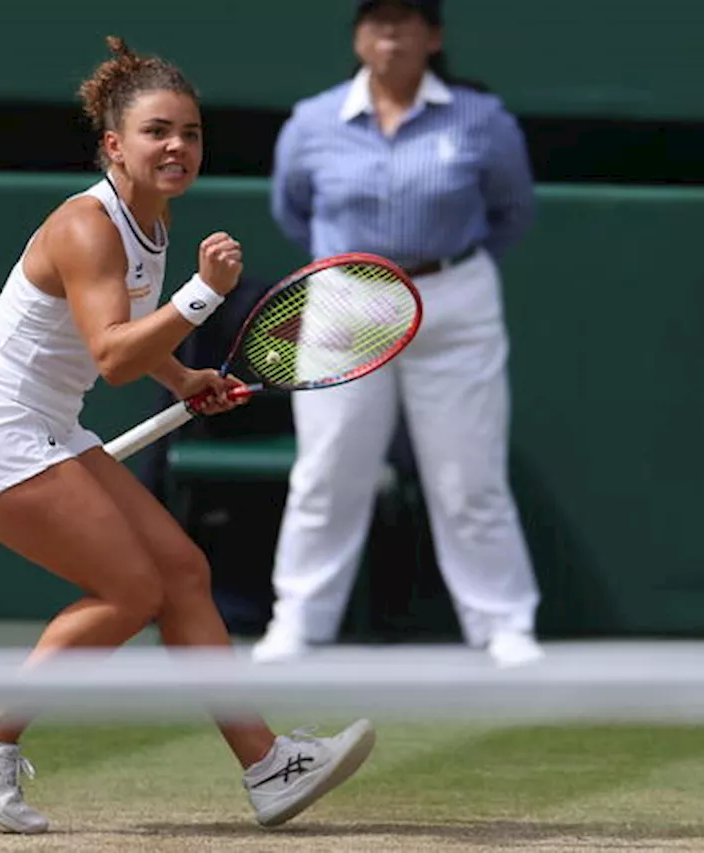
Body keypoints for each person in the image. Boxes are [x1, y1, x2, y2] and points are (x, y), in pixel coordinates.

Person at [0, 36, 375, 834]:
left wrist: (184, 378)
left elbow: (117, 337)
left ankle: (269, 765)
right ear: (114, 144)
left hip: (47, 423)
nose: (177, 146)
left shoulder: (150, 221)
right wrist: (202, 297)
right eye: (157, 132)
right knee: (129, 591)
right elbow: (114, 357)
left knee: (182, 571)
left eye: (189, 132)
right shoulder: (89, 225)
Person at [251, 0, 544, 669]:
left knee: (468, 473)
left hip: (454, 297)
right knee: (327, 467)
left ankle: (503, 621)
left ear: (433, 37)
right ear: (357, 36)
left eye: (406, 20)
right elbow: (293, 210)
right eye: (377, 21)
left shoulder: (482, 120)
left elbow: (512, 210)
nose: (391, 35)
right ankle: (298, 618)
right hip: (346, 298)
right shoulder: (312, 122)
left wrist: (437, 273)